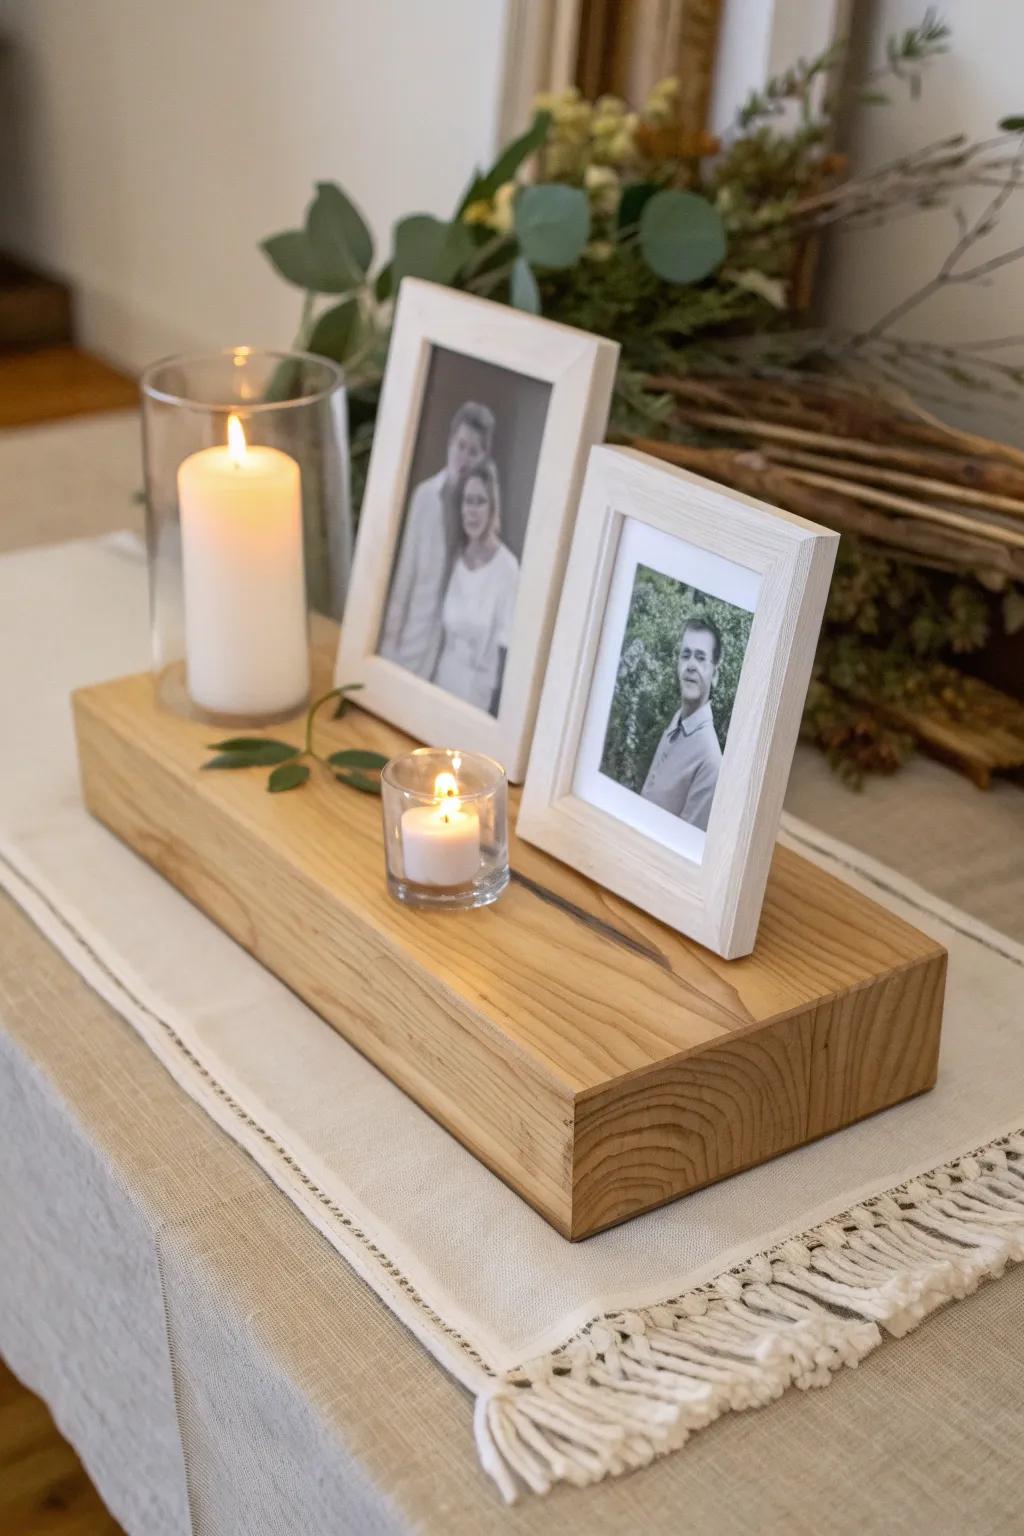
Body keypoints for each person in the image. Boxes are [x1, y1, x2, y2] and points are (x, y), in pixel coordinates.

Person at [379, 400, 495, 679]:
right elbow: (406, 574)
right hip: (413, 637)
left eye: (474, 451)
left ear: (484, 457)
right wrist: (390, 643)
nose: (464, 457)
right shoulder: (425, 497)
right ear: (450, 443)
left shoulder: (479, 512)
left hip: (450, 652)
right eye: (461, 446)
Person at [432, 459, 519, 716]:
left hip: (476, 698)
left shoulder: (508, 569)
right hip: (442, 683)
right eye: (467, 501)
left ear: (493, 506)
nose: (472, 510)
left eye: (480, 501)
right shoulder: (454, 557)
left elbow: (507, 650)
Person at [640, 615, 724, 832]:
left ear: (715, 674)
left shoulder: (710, 760)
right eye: (685, 655)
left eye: (700, 657)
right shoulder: (676, 724)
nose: (691, 665)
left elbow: (681, 844)